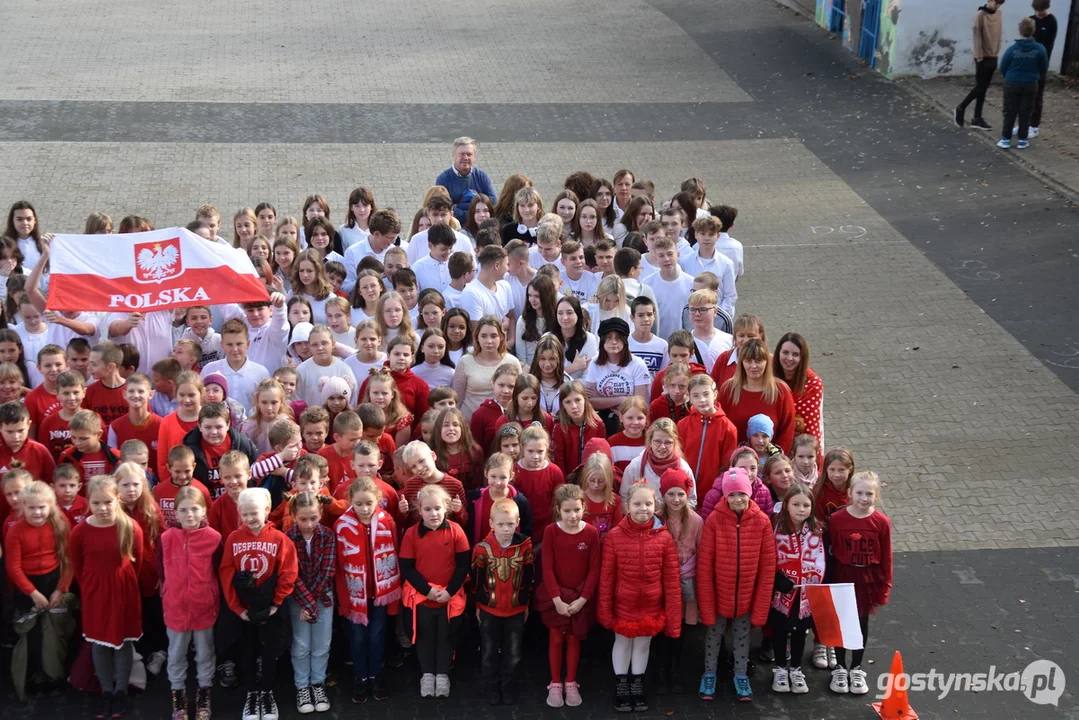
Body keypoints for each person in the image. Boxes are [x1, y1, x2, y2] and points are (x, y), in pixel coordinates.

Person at [598, 481, 681, 713]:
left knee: (643, 644)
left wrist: (673, 619)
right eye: (637, 503)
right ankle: (621, 684)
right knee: (622, 643)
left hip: (652, 606)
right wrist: (604, 611)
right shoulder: (615, 537)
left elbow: (672, 581)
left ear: (656, 505)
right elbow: (607, 578)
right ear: (627, 506)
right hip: (623, 605)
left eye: (648, 503)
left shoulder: (664, 538)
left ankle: (637, 683)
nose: (642, 508)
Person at [696, 467, 776, 702]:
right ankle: (709, 673)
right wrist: (707, 605)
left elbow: (767, 567)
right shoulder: (714, 520)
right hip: (719, 595)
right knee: (713, 635)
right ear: (724, 496)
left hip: (747, 597)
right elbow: (705, 566)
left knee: (742, 638)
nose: (737, 499)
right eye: (732, 494)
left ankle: (740, 675)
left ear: (749, 493)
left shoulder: (762, 522)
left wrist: (760, 607)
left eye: (742, 493)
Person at [218, 487, 298, 720]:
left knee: (270, 651)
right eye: (246, 514)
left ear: (266, 510)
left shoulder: (279, 539)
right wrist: (237, 608)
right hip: (244, 609)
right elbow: (226, 573)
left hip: (270, 609)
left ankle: (267, 693)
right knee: (247, 650)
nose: (251, 518)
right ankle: (252, 693)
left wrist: (276, 603)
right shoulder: (233, 539)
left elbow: (288, 572)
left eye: (256, 513)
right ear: (239, 513)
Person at [70, 476, 145, 719]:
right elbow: (76, 564)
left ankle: (121, 691)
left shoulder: (131, 527)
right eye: (96, 502)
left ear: (118, 499)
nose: (102, 508)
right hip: (95, 594)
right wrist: (91, 588)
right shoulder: (80, 531)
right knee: (99, 644)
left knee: (123, 642)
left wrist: (122, 583)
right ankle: (106, 692)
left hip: (124, 592)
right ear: (88, 503)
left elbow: (138, 561)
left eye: (108, 502)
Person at [399, 483, 471, 698]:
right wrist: (427, 591)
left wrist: (449, 591)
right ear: (419, 510)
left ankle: (442, 675)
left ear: (446, 508)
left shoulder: (456, 531)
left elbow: (463, 565)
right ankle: (427, 674)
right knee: (425, 636)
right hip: (422, 598)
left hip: (449, 598)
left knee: (446, 637)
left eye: (438, 508)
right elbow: (407, 568)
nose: (433, 513)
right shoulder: (411, 534)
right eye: (428, 509)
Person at [4, 481, 73, 699]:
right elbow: (13, 567)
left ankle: (55, 674)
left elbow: (68, 560)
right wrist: (32, 593)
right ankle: (36, 675)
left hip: (53, 582)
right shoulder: (16, 531)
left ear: (51, 505)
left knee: (54, 632)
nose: (37, 512)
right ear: (23, 507)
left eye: (42, 507)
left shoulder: (59, 524)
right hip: (28, 586)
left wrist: (60, 589)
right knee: (33, 634)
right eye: (31, 507)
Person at [335, 476, 401, 704]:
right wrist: (344, 599)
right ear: (350, 501)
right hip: (355, 596)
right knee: (357, 637)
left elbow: (395, 558)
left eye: (369, 503)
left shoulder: (387, 522)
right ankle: (360, 677)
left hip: (380, 594)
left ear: (378, 501)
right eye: (359, 503)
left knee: (376, 636)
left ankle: (376, 675)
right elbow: (339, 567)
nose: (364, 508)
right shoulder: (341, 526)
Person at [826, 471, 893, 696]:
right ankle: (839, 667)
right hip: (842, 576)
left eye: (869, 494)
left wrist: (885, 587)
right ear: (849, 493)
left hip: (867, 579)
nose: (864, 498)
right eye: (859, 493)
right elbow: (831, 552)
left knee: (860, 623)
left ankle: (856, 667)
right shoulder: (836, 520)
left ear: (876, 495)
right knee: (840, 623)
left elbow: (887, 557)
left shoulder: (881, 522)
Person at [535, 484, 601, 708]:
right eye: (567, 511)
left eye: (577, 510)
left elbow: (594, 569)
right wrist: (557, 599)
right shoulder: (551, 532)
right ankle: (555, 682)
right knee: (555, 639)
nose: (572, 515)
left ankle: (571, 681)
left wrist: (582, 599)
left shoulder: (591, 533)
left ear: (584, 507)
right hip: (557, 600)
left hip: (579, 600)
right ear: (558, 510)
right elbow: (547, 569)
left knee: (574, 639)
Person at [160, 486, 220, 720]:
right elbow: (161, 572)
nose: (190, 515)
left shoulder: (214, 538)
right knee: (176, 654)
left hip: (204, 606)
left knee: (205, 653)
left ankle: (204, 692)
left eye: (195, 509)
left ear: (204, 510)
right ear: (175, 512)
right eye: (183, 510)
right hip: (175, 608)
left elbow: (217, 572)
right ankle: (178, 695)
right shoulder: (166, 539)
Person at [471, 498, 535, 705]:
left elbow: (529, 577)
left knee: (513, 653)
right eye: (500, 524)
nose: (505, 528)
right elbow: (476, 580)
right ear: (491, 524)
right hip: (490, 610)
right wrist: (479, 605)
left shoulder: (525, 546)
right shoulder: (482, 549)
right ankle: (491, 688)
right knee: (489, 652)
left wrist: (526, 604)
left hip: (516, 610)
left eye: (510, 524)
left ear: (517, 522)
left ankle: (509, 688)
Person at [769, 483, 824, 695]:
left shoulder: (818, 530)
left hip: (805, 593)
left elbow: (822, 559)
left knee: (801, 630)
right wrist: (776, 579)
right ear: (786, 506)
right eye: (796, 504)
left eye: (806, 505)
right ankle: (780, 668)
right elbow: (767, 557)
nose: (801, 509)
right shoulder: (774, 526)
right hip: (781, 592)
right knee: (780, 629)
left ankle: (796, 668)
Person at [286, 492, 337, 715]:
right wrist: (306, 603)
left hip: (322, 598)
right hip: (298, 599)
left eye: (314, 518)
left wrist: (312, 605)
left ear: (321, 514)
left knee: (321, 645)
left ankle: (318, 684)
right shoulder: (287, 538)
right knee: (300, 645)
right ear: (294, 516)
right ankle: (302, 687)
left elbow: (327, 571)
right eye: (303, 519)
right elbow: (290, 574)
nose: (309, 524)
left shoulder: (328, 535)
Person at [654, 468, 703, 694]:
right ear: (663, 494)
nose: (676, 499)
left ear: (687, 495)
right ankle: (661, 669)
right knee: (662, 626)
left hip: (686, 581)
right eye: (671, 494)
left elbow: (701, 551)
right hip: (661, 583)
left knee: (680, 627)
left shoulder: (695, 521)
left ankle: (675, 668)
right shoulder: (656, 518)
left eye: (680, 494)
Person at [719, 339, 796, 453]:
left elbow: (787, 431)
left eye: (759, 361)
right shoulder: (728, 389)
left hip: (771, 462)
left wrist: (774, 461)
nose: (753, 366)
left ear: (767, 362)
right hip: (735, 462)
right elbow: (721, 427)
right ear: (741, 362)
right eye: (748, 361)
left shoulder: (781, 391)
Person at [996, 17, 1048, 150]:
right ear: (1033, 31)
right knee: (1026, 112)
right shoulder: (1040, 49)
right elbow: (1043, 67)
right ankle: (1022, 139)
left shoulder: (1012, 50)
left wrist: (1009, 76)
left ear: (1020, 31)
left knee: (1009, 110)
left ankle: (1006, 138)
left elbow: (1003, 66)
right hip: (1030, 83)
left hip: (1012, 83)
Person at [954, 0, 1005, 130]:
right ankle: (961, 107)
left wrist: (996, 52)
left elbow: (998, 34)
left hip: (993, 56)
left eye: (1001, 3)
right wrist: (979, 57)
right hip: (982, 57)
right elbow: (977, 38)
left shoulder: (998, 13)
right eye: (996, 2)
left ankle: (977, 118)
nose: (998, 6)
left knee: (983, 89)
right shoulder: (980, 15)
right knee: (980, 87)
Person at [621, 418, 695, 506]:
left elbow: (691, 500)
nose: (662, 447)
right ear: (650, 441)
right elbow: (624, 498)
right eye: (657, 441)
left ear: (675, 443)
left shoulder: (683, 468)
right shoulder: (636, 466)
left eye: (668, 442)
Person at [435, 137, 498, 226]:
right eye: (462, 154)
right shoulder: (443, 179)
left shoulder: (481, 176)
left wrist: (459, 206)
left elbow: (492, 202)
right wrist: (477, 211)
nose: (465, 158)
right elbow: (444, 210)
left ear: (474, 157)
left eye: (469, 154)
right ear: (453, 155)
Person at [551, 382, 604, 473]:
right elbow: (558, 460)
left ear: (585, 400)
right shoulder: (559, 428)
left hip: (591, 478)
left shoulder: (598, 425)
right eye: (568, 402)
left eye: (578, 400)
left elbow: (601, 457)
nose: (574, 406)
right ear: (562, 406)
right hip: (568, 479)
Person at [1028, 0, 1058, 137]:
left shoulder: (1051, 21)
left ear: (1047, 8)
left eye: (1041, 12)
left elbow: (1048, 45)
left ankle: (1034, 126)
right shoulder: (1031, 20)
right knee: (1026, 95)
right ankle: (1025, 123)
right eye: (1036, 12)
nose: (1038, 15)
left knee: (1037, 95)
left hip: (1041, 63)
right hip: (1028, 62)